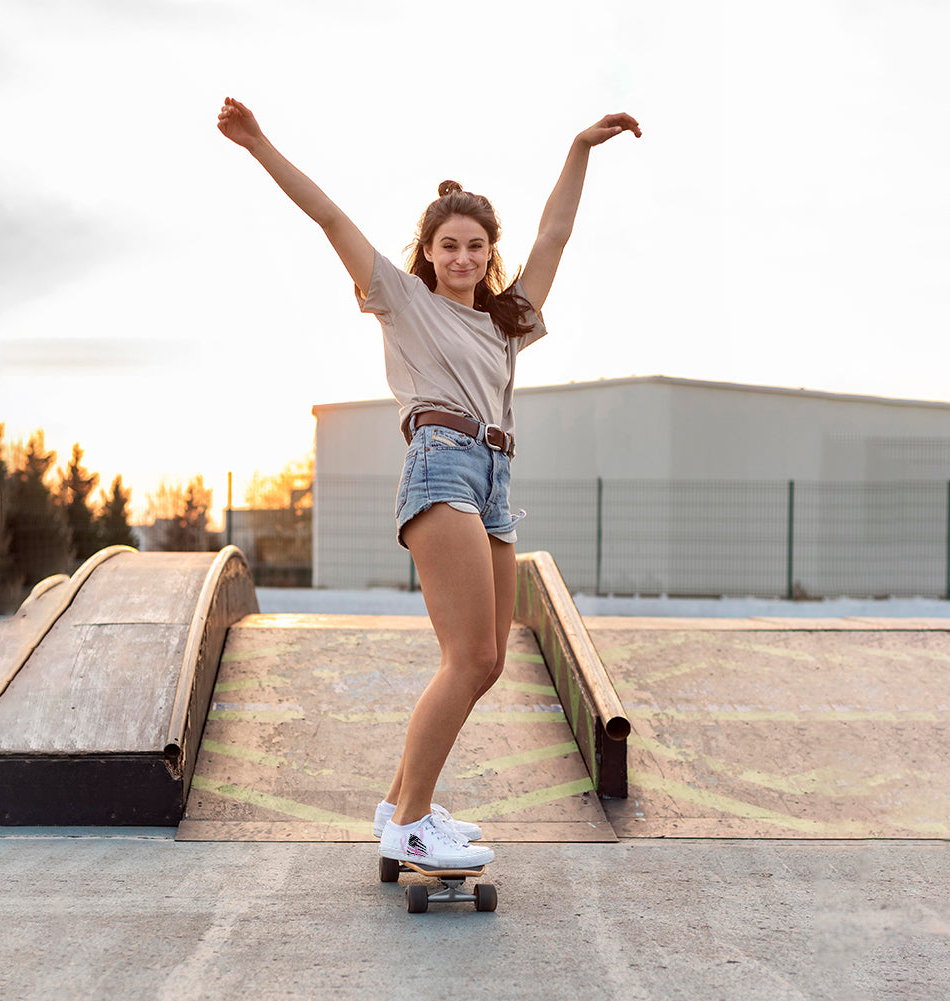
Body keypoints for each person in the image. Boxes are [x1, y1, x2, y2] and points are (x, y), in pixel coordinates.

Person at [217, 97, 642, 869]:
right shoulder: (402, 300)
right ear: (429, 249)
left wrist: (579, 145)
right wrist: (257, 143)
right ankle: (410, 821)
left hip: (494, 479)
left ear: (488, 253)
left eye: (475, 247)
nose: (462, 258)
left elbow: (554, 234)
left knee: (487, 659)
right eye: (448, 245)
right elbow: (330, 218)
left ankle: (398, 804)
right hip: (440, 461)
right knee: (468, 659)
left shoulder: (507, 317)